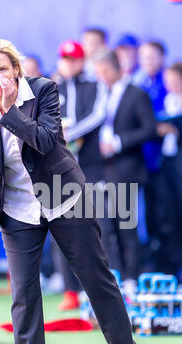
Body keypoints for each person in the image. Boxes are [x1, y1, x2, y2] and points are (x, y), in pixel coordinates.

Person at [0, 39, 144, 344]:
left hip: (65, 198)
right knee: (24, 294)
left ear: (16, 69)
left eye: (2, 68)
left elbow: (47, 142)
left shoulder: (44, 89)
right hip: (16, 210)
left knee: (97, 280)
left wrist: (9, 111)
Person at [93, 49, 156, 284]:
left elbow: (150, 129)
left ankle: (132, 276)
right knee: (105, 229)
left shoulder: (136, 94)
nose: (102, 76)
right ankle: (115, 275)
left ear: (117, 68)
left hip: (127, 170)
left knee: (128, 228)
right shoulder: (100, 94)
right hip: (102, 170)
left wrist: (118, 143)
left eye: (105, 71)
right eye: (98, 72)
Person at [55, 40, 109, 311]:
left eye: (74, 59)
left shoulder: (95, 85)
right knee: (61, 230)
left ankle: (97, 290)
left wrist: (69, 134)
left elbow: (97, 116)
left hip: (91, 169)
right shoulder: (50, 88)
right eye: (65, 59)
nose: (69, 64)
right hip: (58, 173)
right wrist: (59, 137)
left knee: (95, 229)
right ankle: (70, 291)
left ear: (81, 61)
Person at [157, 62, 182, 277]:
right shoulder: (168, 101)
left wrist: (176, 130)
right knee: (171, 217)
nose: (173, 86)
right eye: (169, 82)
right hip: (167, 163)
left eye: (176, 81)